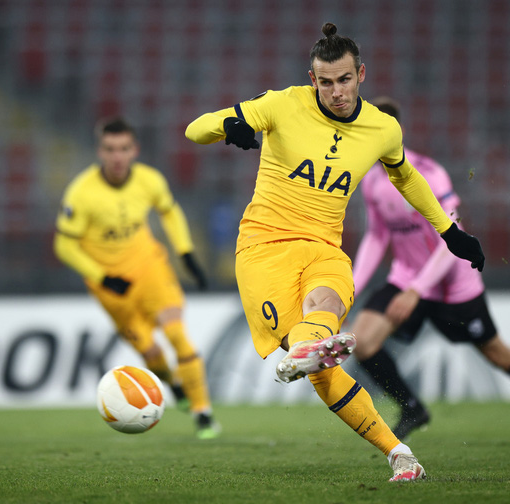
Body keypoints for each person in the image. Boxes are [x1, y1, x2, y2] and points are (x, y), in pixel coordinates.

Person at [186, 23, 484, 481]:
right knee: (323, 372)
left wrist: (448, 231)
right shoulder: (283, 104)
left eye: (344, 80)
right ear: (312, 80)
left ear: (361, 74)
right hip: (263, 249)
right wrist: (229, 125)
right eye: (325, 82)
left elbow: (404, 176)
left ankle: (311, 348)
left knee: (324, 306)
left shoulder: (382, 129)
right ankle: (397, 450)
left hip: (324, 245)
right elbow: (194, 129)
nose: (336, 91)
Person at [348, 96, 510, 440]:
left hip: (451, 284)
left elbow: (453, 240)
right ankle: (412, 408)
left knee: (497, 353)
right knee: (362, 342)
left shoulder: (429, 173)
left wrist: (416, 291)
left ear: (394, 132)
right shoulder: (372, 182)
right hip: (407, 278)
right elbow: (377, 236)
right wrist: (353, 287)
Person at [54, 117, 219, 439]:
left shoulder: (149, 180)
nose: (117, 156)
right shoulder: (81, 193)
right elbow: (63, 245)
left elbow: (169, 211)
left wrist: (185, 253)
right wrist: (103, 277)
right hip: (112, 288)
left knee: (177, 334)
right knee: (151, 354)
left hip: (150, 270)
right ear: (99, 151)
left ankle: (203, 414)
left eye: (124, 149)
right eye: (110, 149)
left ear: (135, 150)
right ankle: (172, 384)